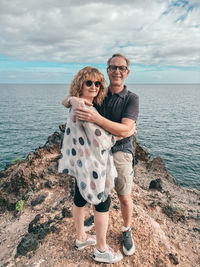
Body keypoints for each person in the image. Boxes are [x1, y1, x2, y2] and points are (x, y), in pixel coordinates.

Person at [62, 54, 139, 256]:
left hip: (120, 150)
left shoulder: (131, 98)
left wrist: (97, 117)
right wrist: (71, 99)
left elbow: (124, 129)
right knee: (98, 197)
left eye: (121, 68)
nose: (117, 71)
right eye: (113, 67)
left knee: (123, 195)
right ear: (108, 70)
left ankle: (126, 228)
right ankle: (98, 237)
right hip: (96, 153)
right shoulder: (98, 97)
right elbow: (69, 102)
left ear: (127, 72)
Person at [58, 66, 123, 264]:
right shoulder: (85, 108)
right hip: (94, 167)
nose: (94, 86)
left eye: (98, 83)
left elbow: (66, 100)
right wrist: (124, 133)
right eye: (89, 83)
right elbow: (103, 142)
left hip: (80, 164)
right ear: (81, 84)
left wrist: (71, 98)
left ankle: (81, 238)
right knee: (102, 203)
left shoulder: (76, 104)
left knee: (79, 198)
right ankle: (101, 250)